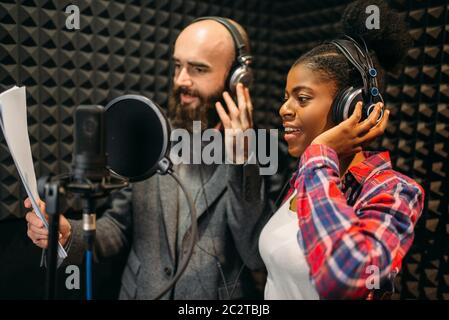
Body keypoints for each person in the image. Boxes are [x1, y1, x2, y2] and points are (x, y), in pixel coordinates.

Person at [25, 17, 267, 300]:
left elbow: (254, 254)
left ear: (238, 78)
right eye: (178, 66)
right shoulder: (150, 134)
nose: (181, 81)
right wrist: (68, 234)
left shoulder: (261, 151)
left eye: (198, 69)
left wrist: (242, 161)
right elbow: (118, 226)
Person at [259, 0, 424, 300]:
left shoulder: (395, 192)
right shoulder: (304, 177)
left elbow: (348, 275)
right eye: (286, 97)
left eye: (303, 98)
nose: (284, 109)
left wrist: (320, 154)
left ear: (349, 107)